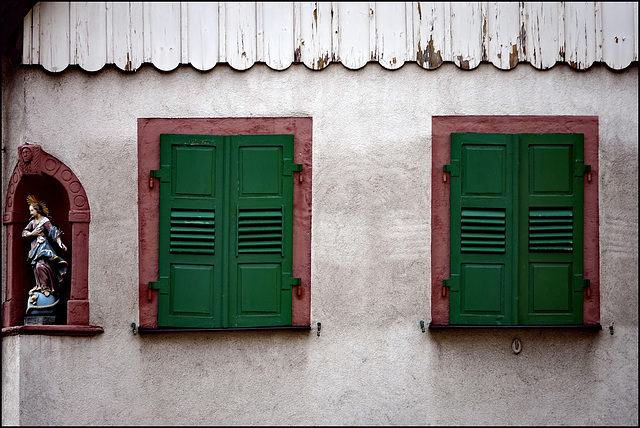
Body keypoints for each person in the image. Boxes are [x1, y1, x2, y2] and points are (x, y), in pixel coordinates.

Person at [22, 195, 68, 301]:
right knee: (35, 267)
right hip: (34, 248)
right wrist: (32, 234)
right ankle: (39, 286)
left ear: (37, 210)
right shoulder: (32, 222)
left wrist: (60, 243)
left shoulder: (45, 221)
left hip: (44, 247)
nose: (30, 213)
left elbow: (53, 232)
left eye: (32, 210)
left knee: (41, 266)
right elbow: (24, 233)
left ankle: (47, 287)